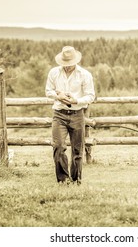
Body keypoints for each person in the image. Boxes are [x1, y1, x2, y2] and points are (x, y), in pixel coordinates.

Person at [45, 46, 95, 185]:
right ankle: (63, 179)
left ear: (75, 61)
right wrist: (58, 95)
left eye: (69, 63)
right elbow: (48, 91)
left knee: (78, 149)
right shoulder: (54, 72)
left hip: (77, 114)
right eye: (64, 64)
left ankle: (76, 179)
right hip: (59, 114)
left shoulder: (85, 74)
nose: (66, 66)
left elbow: (91, 95)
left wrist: (76, 100)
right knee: (58, 146)